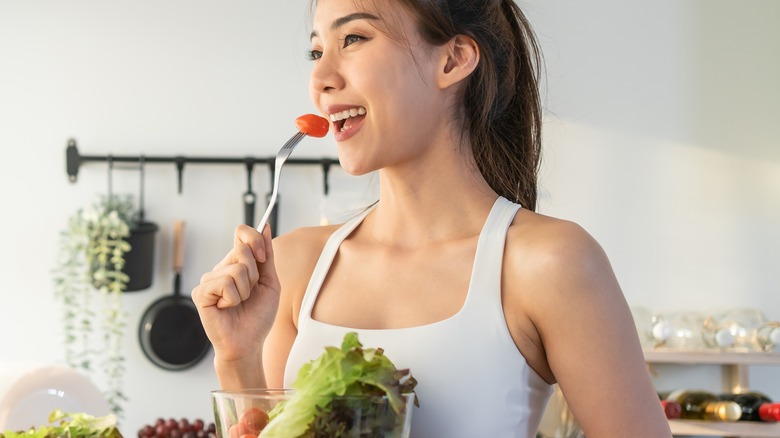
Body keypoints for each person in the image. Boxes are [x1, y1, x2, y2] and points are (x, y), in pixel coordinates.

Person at [192, 0, 672, 436]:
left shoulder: (548, 262)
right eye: (316, 52)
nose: (321, 80)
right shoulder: (296, 263)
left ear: (453, 59)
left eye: (353, 39)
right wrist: (237, 359)